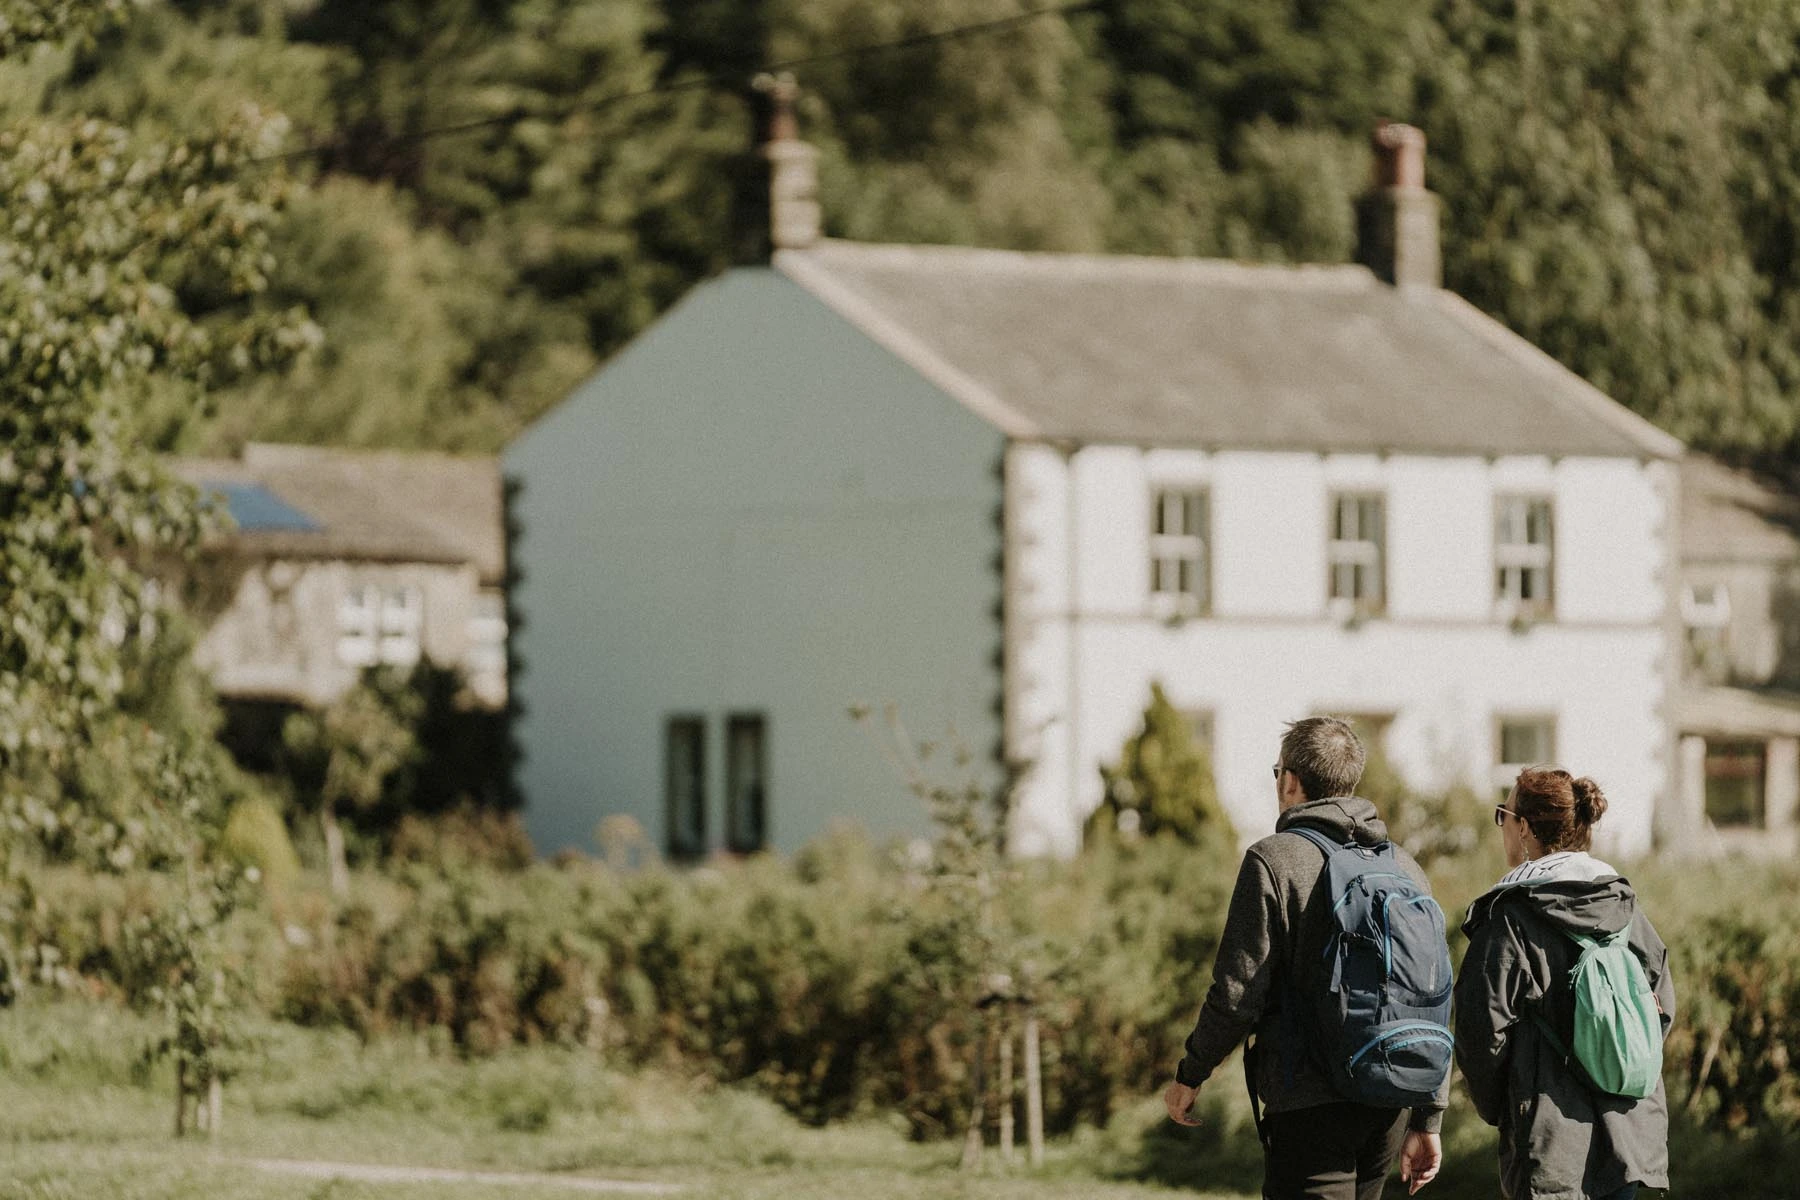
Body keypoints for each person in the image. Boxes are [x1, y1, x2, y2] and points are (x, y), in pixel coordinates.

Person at [1163, 717, 1446, 1200]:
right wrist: (1429, 1116)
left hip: (1310, 1102)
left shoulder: (1273, 860)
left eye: (1278, 772)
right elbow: (1433, 994)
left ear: (1291, 781)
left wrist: (1192, 1073)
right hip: (1391, 1098)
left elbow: (1237, 992)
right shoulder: (1404, 866)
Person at [1455, 767, 1675, 1200]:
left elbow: (1480, 1033)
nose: (1503, 827)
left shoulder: (1511, 917)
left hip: (1550, 1143)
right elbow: (1660, 1009)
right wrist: (1614, 1063)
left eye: (1504, 816)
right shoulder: (1621, 904)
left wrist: (1508, 1106)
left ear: (1524, 828)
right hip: (1628, 1134)